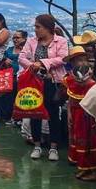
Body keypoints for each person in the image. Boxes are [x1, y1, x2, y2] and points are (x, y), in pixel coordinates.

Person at [19, 14, 69, 161]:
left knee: (53, 113)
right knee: (35, 113)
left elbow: (62, 58)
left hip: (53, 82)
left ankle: (53, 147)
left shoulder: (61, 41)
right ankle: (37, 144)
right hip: (35, 82)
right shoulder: (32, 41)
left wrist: (42, 63)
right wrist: (33, 66)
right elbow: (22, 57)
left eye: (38, 27)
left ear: (47, 28)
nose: (35, 30)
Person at [64, 46, 96, 182]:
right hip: (76, 113)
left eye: (81, 60)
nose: (79, 63)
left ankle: (94, 170)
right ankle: (83, 167)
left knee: (90, 141)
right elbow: (71, 98)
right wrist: (69, 113)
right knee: (78, 140)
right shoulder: (71, 78)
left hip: (88, 115)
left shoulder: (91, 80)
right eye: (76, 60)